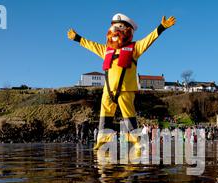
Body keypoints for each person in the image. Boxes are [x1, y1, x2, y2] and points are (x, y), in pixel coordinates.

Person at [68, 14, 176, 151]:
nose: (115, 31)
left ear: (128, 31)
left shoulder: (135, 48)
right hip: (107, 91)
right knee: (105, 114)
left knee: (128, 114)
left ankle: (136, 139)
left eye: (120, 27)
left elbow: (148, 40)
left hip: (125, 89)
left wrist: (161, 27)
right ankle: (102, 139)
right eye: (113, 28)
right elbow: (91, 45)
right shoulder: (106, 50)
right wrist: (78, 38)